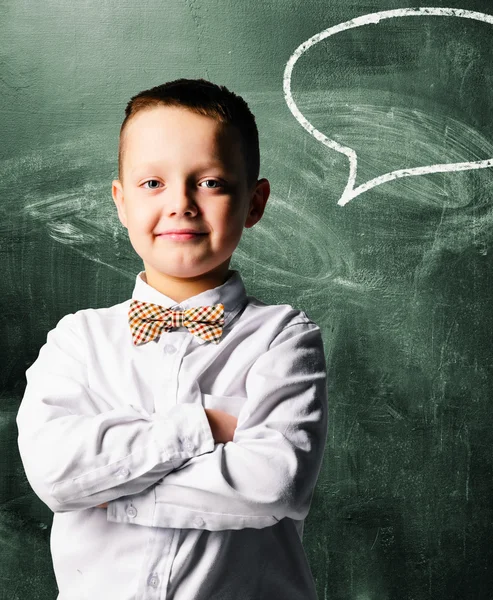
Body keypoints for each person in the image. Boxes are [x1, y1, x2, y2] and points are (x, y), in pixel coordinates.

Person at [16, 77, 329, 600]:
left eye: (209, 182)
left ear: (254, 203)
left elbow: (275, 483)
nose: (181, 203)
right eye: (152, 183)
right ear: (120, 202)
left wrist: (111, 491)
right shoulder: (78, 340)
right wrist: (200, 427)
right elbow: (54, 474)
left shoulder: (285, 338)